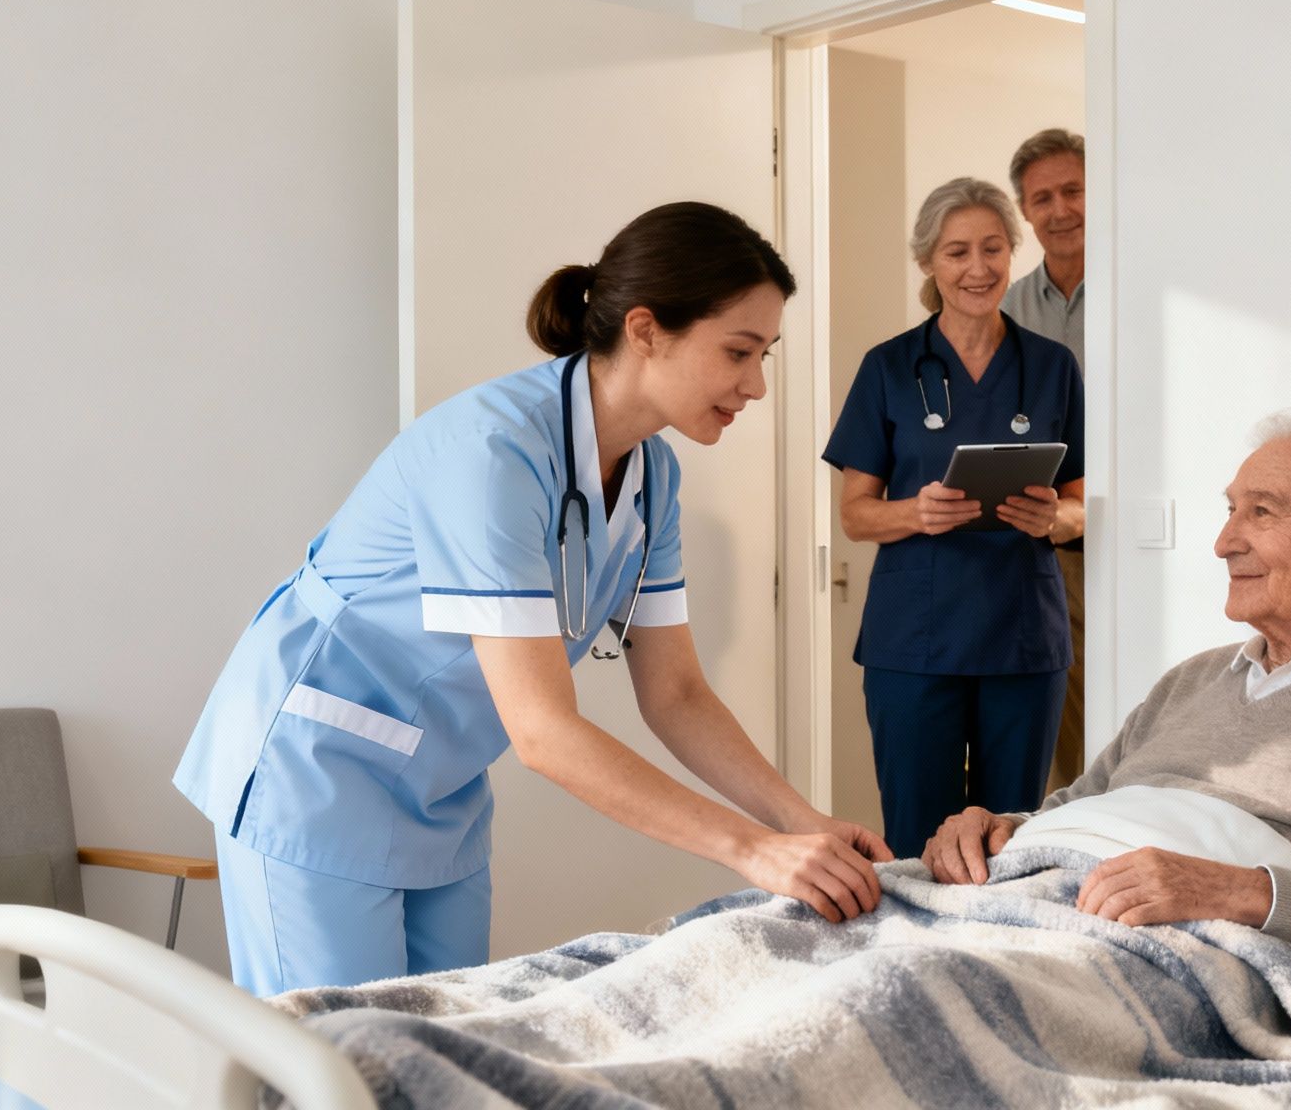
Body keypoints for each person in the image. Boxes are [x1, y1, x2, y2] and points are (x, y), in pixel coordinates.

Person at [173, 203, 892, 997]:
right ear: (647, 330)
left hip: (440, 789)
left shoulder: (653, 476)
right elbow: (544, 732)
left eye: (764, 355)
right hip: (316, 769)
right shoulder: (491, 452)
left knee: (451, 1044)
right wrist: (752, 851)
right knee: (329, 1053)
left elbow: (678, 693)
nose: (756, 385)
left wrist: (803, 823)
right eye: (738, 351)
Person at [921, 411, 1291, 982]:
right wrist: (996, 829)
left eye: (1262, 512)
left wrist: (1235, 890)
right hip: (1039, 896)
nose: (1224, 542)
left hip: (1162, 949)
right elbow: (1073, 810)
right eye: (1231, 510)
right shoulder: (1192, 679)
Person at [823, 178, 1086, 859]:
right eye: (957, 252)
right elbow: (855, 516)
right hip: (915, 641)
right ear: (928, 262)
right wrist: (915, 511)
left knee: (1012, 839)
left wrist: (1054, 518)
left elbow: (1080, 507)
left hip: (1022, 638)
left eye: (993, 249)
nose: (978, 268)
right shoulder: (888, 368)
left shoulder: (1052, 367)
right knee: (918, 841)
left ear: (1011, 253)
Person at [998, 128, 1090, 796]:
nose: (1060, 210)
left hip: (1131, 529)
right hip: (1039, 533)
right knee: (1053, 707)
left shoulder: (1137, 288)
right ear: (1025, 212)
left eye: (1073, 191)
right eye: (1042, 198)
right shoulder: (1008, 308)